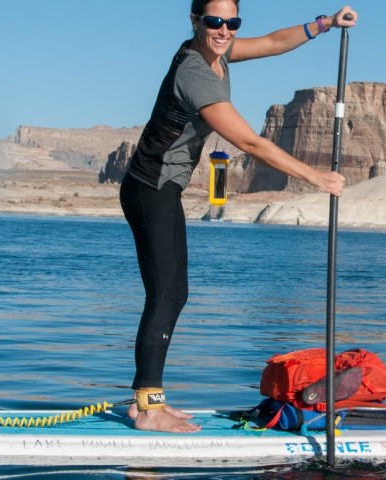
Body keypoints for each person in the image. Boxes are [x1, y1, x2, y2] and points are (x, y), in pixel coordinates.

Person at [119, 0, 359, 433]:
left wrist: (324, 24)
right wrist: (315, 177)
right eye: (214, 21)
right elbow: (249, 142)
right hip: (150, 189)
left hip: (157, 187)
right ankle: (149, 407)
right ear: (195, 21)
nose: (224, 29)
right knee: (168, 293)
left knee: (171, 292)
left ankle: (146, 400)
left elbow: (270, 43)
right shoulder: (194, 72)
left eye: (232, 22)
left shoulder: (219, 53)